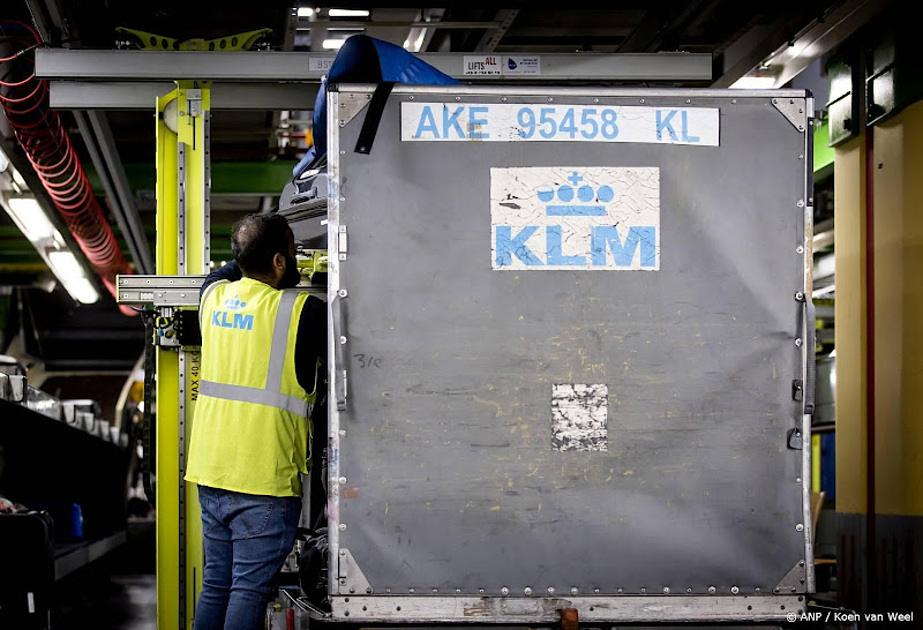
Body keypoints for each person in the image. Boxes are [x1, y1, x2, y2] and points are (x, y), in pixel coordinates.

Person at [186, 213, 326, 630]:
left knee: (216, 585)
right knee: (248, 591)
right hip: (263, 479)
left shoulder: (211, 299)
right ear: (280, 262)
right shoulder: (304, 311)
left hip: (211, 472)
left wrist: (253, 251)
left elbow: (221, 273)